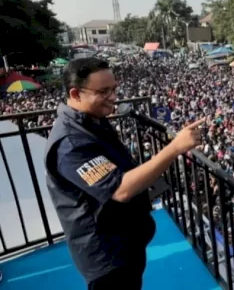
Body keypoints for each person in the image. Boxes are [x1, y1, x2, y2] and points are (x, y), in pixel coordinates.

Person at [44, 58, 204, 290]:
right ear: (75, 94)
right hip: (108, 257)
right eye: (103, 91)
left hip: (123, 242)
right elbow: (120, 189)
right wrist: (175, 147)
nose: (113, 97)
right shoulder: (70, 143)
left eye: (114, 89)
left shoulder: (91, 121)